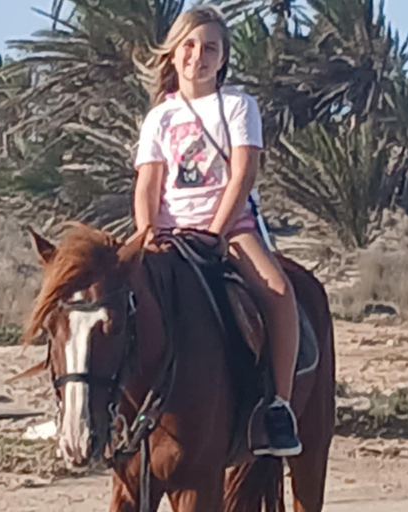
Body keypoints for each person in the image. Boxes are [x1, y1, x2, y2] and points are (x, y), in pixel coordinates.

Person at [133, 4, 302, 457]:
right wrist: (147, 235)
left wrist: (216, 232)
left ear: (223, 57)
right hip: (169, 232)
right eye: (189, 46)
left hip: (229, 229)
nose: (198, 56)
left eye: (210, 48)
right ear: (173, 53)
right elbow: (148, 184)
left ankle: (279, 407)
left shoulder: (238, 106)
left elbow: (243, 174)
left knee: (278, 291)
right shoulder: (159, 118)